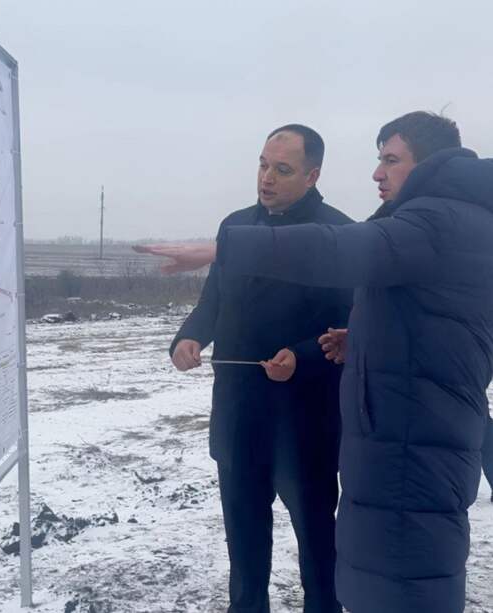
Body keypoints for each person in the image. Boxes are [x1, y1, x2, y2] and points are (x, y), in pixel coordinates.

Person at [210, 111, 493, 613]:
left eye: (391, 160)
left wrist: (223, 249)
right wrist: (359, 338)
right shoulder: (439, 223)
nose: (377, 173)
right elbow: (430, 326)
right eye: (263, 165)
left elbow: (335, 251)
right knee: (384, 574)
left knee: (392, 574)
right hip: (381, 436)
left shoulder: (426, 224)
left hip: (391, 440)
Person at [169, 124, 352, 613]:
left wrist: (302, 356)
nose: (267, 178)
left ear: (312, 175)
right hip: (238, 418)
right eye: (263, 165)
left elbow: (351, 324)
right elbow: (213, 303)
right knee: (245, 550)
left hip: (304, 422)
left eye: (283, 169)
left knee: (318, 546)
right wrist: (188, 338)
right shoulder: (235, 228)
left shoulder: (340, 234)